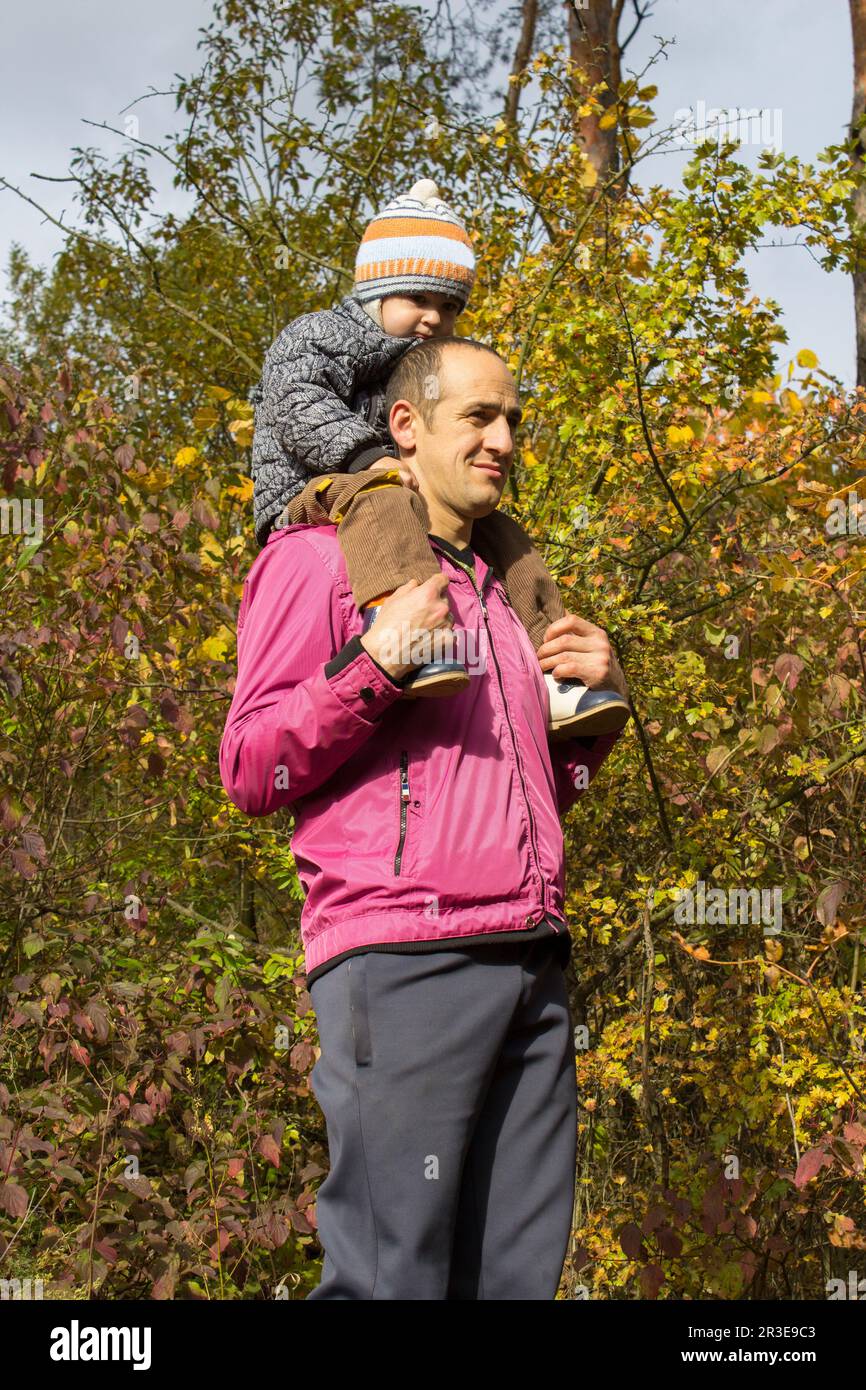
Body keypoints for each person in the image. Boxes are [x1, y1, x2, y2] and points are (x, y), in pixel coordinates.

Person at [220, 336, 629, 1299]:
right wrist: (373, 667)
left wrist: (590, 717)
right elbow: (250, 768)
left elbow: (527, 794)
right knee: (391, 1278)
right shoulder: (313, 560)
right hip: (406, 959)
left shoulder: (506, 594)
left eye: (513, 421)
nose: (503, 441)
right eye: (478, 418)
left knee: (514, 1281)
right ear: (404, 427)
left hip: (534, 958)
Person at [249, 176, 630, 737]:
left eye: (448, 306)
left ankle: (558, 672)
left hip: (377, 485)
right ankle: (405, 625)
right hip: (309, 486)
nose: (433, 318)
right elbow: (295, 401)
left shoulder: (416, 365)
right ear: (375, 294)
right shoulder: (322, 334)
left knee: (504, 535)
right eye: (417, 299)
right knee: (380, 496)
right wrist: (367, 457)